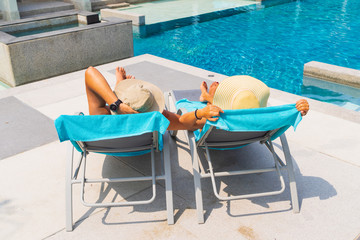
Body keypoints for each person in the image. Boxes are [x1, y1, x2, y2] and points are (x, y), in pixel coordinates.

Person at [85, 66, 309, 131]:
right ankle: (208, 98)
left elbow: (90, 72)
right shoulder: (157, 118)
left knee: (108, 96)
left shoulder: (100, 120)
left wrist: (117, 101)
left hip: (113, 128)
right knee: (129, 98)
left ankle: (119, 93)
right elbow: (184, 123)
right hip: (142, 130)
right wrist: (293, 110)